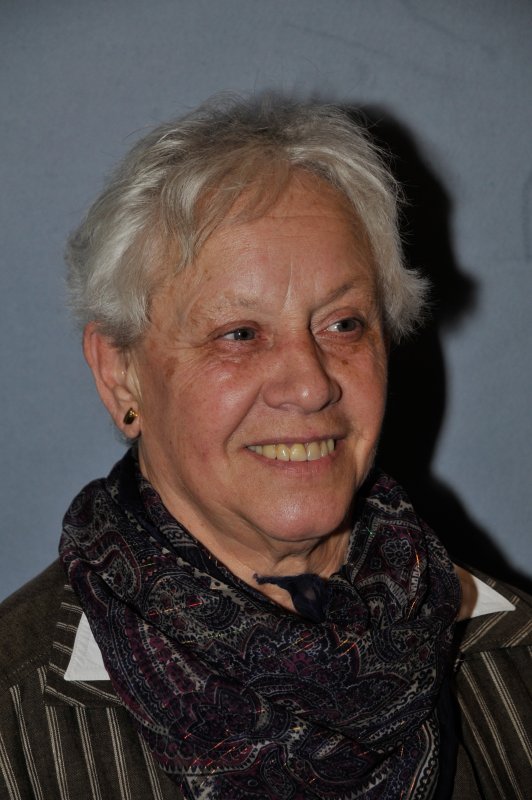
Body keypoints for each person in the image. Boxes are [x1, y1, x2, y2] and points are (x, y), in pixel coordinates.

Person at [0, 96, 530, 800]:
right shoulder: (14, 719)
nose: (310, 385)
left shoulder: (515, 656)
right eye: (240, 335)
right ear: (120, 372)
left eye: (343, 324)